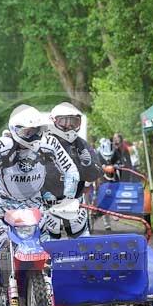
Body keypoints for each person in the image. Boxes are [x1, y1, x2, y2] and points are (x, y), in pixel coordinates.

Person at [0, 105, 78, 306]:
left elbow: (70, 170)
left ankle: (53, 288)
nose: (31, 136)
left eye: (35, 131)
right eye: (26, 131)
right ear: (14, 129)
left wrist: (67, 199)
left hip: (36, 203)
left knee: (48, 245)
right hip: (3, 205)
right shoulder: (2, 146)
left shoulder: (49, 143)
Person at [43, 102, 99, 237]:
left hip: (74, 202)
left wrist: (87, 165)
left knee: (81, 241)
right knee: (48, 242)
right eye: (64, 121)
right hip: (46, 203)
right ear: (54, 121)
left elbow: (96, 171)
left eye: (73, 122)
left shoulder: (80, 144)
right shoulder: (43, 142)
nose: (69, 126)